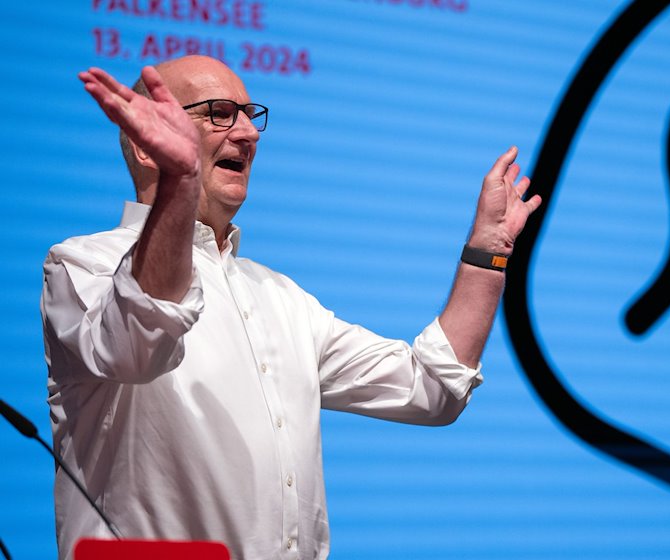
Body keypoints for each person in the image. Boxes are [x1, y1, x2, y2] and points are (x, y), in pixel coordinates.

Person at [42, 55, 541, 559]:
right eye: (218, 113)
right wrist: (180, 183)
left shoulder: (281, 298)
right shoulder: (83, 265)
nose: (248, 134)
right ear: (146, 149)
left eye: (248, 114)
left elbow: (430, 388)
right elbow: (137, 347)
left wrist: (488, 249)